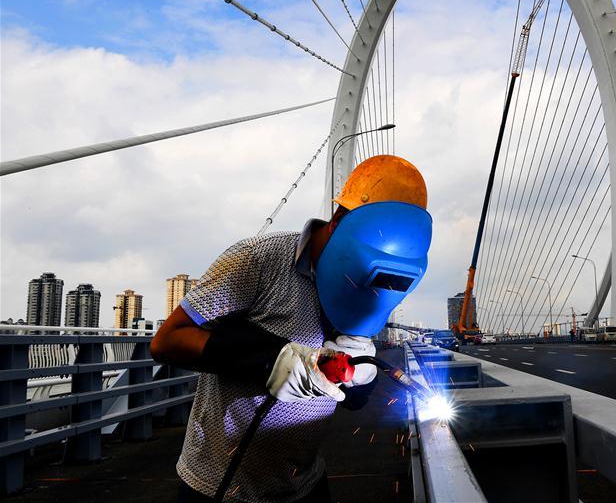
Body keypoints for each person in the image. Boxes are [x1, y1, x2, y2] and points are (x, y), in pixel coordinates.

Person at [150, 155, 431, 503]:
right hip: (219, 486)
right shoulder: (258, 259)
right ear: (338, 222)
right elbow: (167, 341)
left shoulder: (372, 285)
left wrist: (360, 377)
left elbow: (348, 400)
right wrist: (270, 358)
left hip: (304, 484)